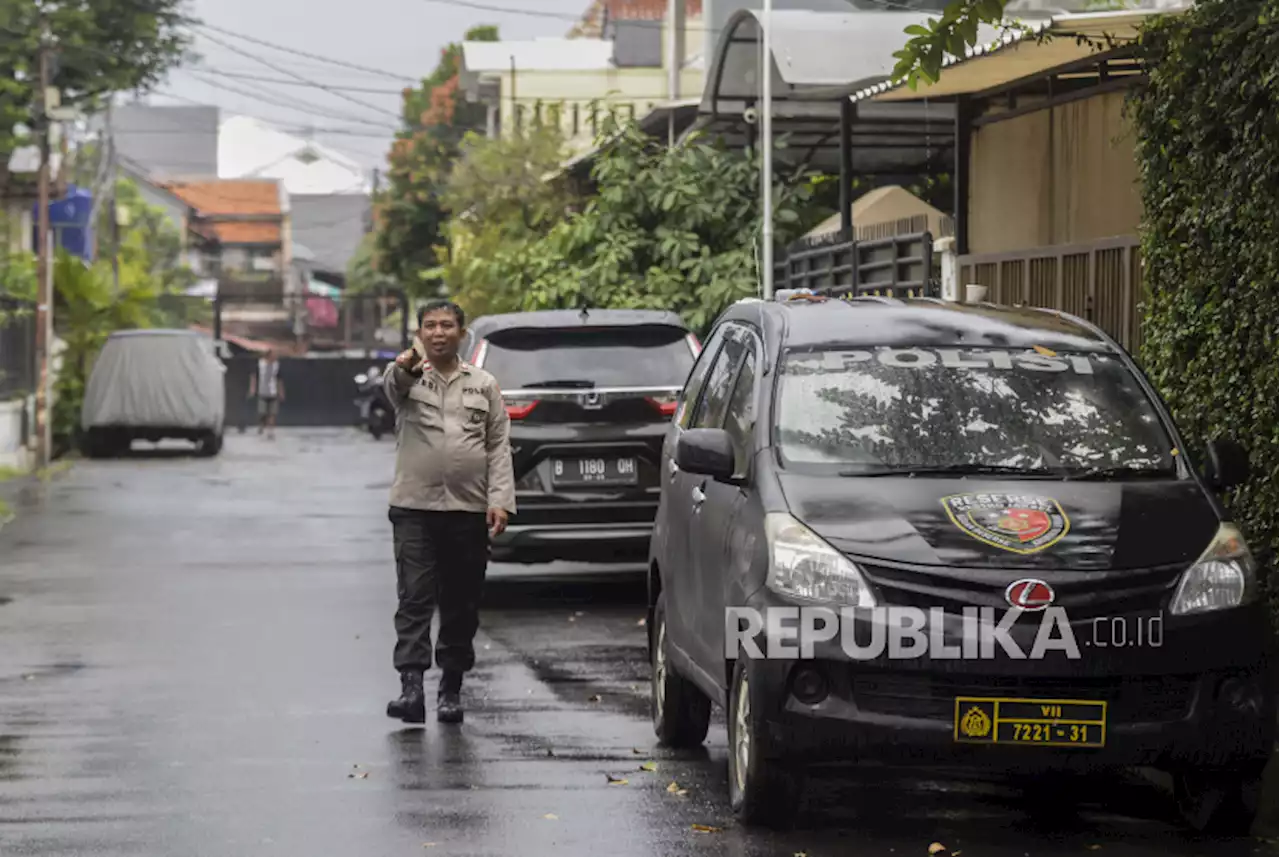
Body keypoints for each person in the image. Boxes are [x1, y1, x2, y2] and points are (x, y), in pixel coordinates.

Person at [382, 300, 515, 724]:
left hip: (467, 511)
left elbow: (498, 444)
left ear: (461, 333)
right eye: (429, 326)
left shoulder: (483, 385)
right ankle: (411, 689)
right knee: (414, 599)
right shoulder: (405, 377)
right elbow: (394, 382)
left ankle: (451, 690)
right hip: (413, 508)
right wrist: (405, 363)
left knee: (461, 602)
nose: (438, 332)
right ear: (419, 333)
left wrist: (499, 500)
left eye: (446, 326)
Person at [248, 349, 284, 439]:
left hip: (273, 393)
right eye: (273, 355)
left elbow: (279, 379)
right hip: (262, 392)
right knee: (262, 412)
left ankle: (270, 431)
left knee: (272, 413)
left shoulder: (276, 365)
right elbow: (254, 376)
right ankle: (261, 424)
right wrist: (252, 389)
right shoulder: (260, 364)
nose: (275, 357)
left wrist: (281, 392)